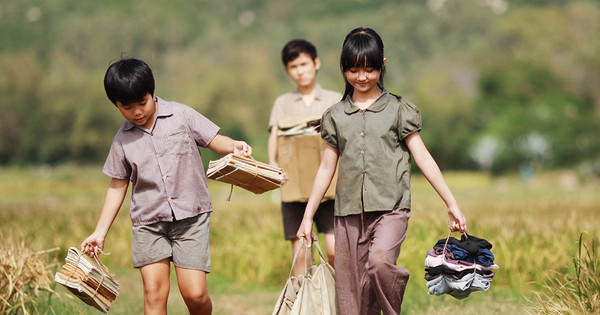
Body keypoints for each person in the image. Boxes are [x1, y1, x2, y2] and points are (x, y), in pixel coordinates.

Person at [296, 27, 468, 315]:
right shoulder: (335, 116)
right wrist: (308, 216)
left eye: (369, 69)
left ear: (382, 66)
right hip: (348, 212)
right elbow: (326, 167)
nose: (361, 77)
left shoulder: (399, 110)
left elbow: (423, 157)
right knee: (351, 296)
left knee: (379, 263)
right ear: (343, 69)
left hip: (391, 208)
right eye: (353, 70)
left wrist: (451, 203)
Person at [81, 58, 252, 315]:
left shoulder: (181, 115)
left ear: (152, 92)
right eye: (127, 107)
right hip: (148, 223)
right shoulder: (121, 141)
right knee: (154, 295)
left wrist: (234, 145)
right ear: (116, 105)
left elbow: (214, 140)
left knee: (195, 294)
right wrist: (99, 233)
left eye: (142, 103)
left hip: (191, 219)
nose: (137, 112)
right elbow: (117, 186)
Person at [267, 39, 341, 275]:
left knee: (334, 250)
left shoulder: (334, 99)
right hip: (295, 190)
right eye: (294, 67)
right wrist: (273, 165)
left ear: (316, 63)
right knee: (300, 255)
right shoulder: (283, 103)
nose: (300, 71)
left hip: (331, 191)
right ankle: (304, 304)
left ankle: (339, 302)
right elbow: (275, 137)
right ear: (287, 70)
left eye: (304, 64)